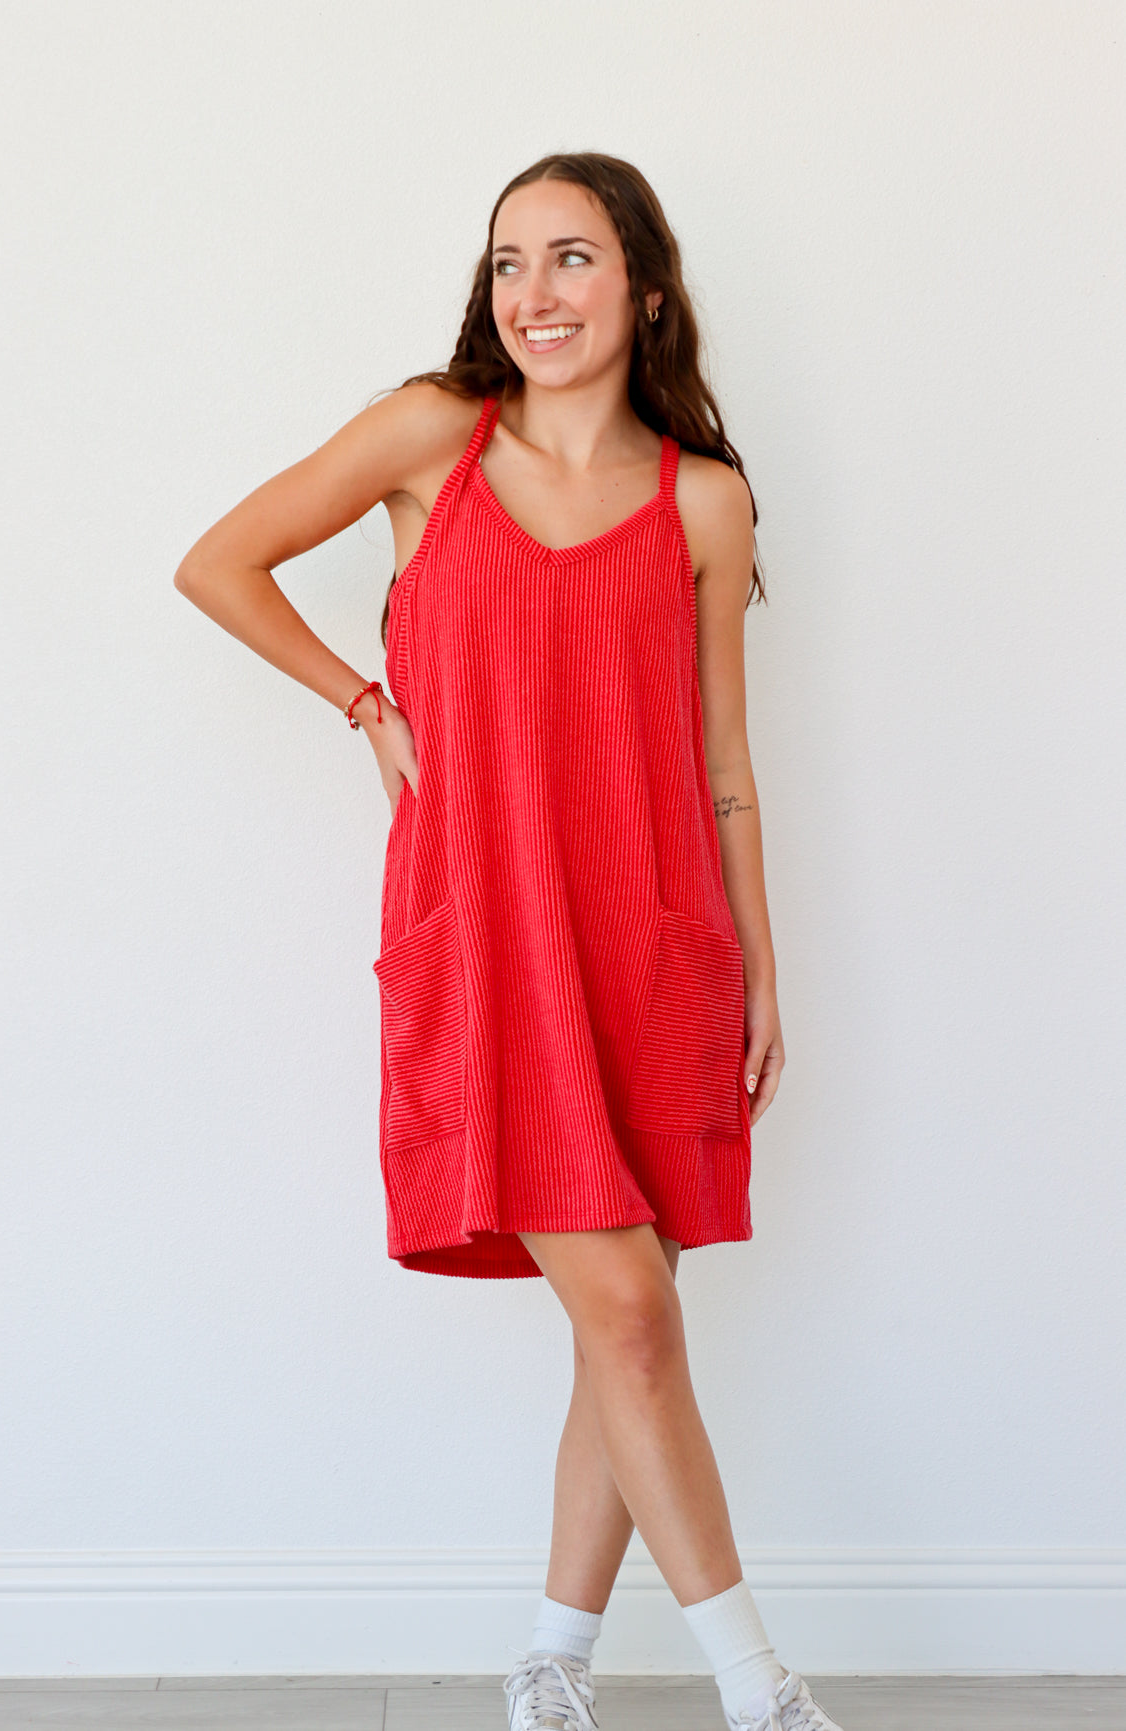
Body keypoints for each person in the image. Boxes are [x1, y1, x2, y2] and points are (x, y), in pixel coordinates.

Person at [174, 151, 841, 1731]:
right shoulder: (431, 441)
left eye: (570, 261)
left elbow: (725, 774)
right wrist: (363, 701)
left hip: (657, 944)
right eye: (506, 265)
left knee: (627, 1328)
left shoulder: (701, 500)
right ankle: (761, 1688)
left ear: (645, 290)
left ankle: (549, 1656)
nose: (531, 297)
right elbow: (218, 562)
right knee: (623, 1312)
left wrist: (760, 972)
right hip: (485, 941)